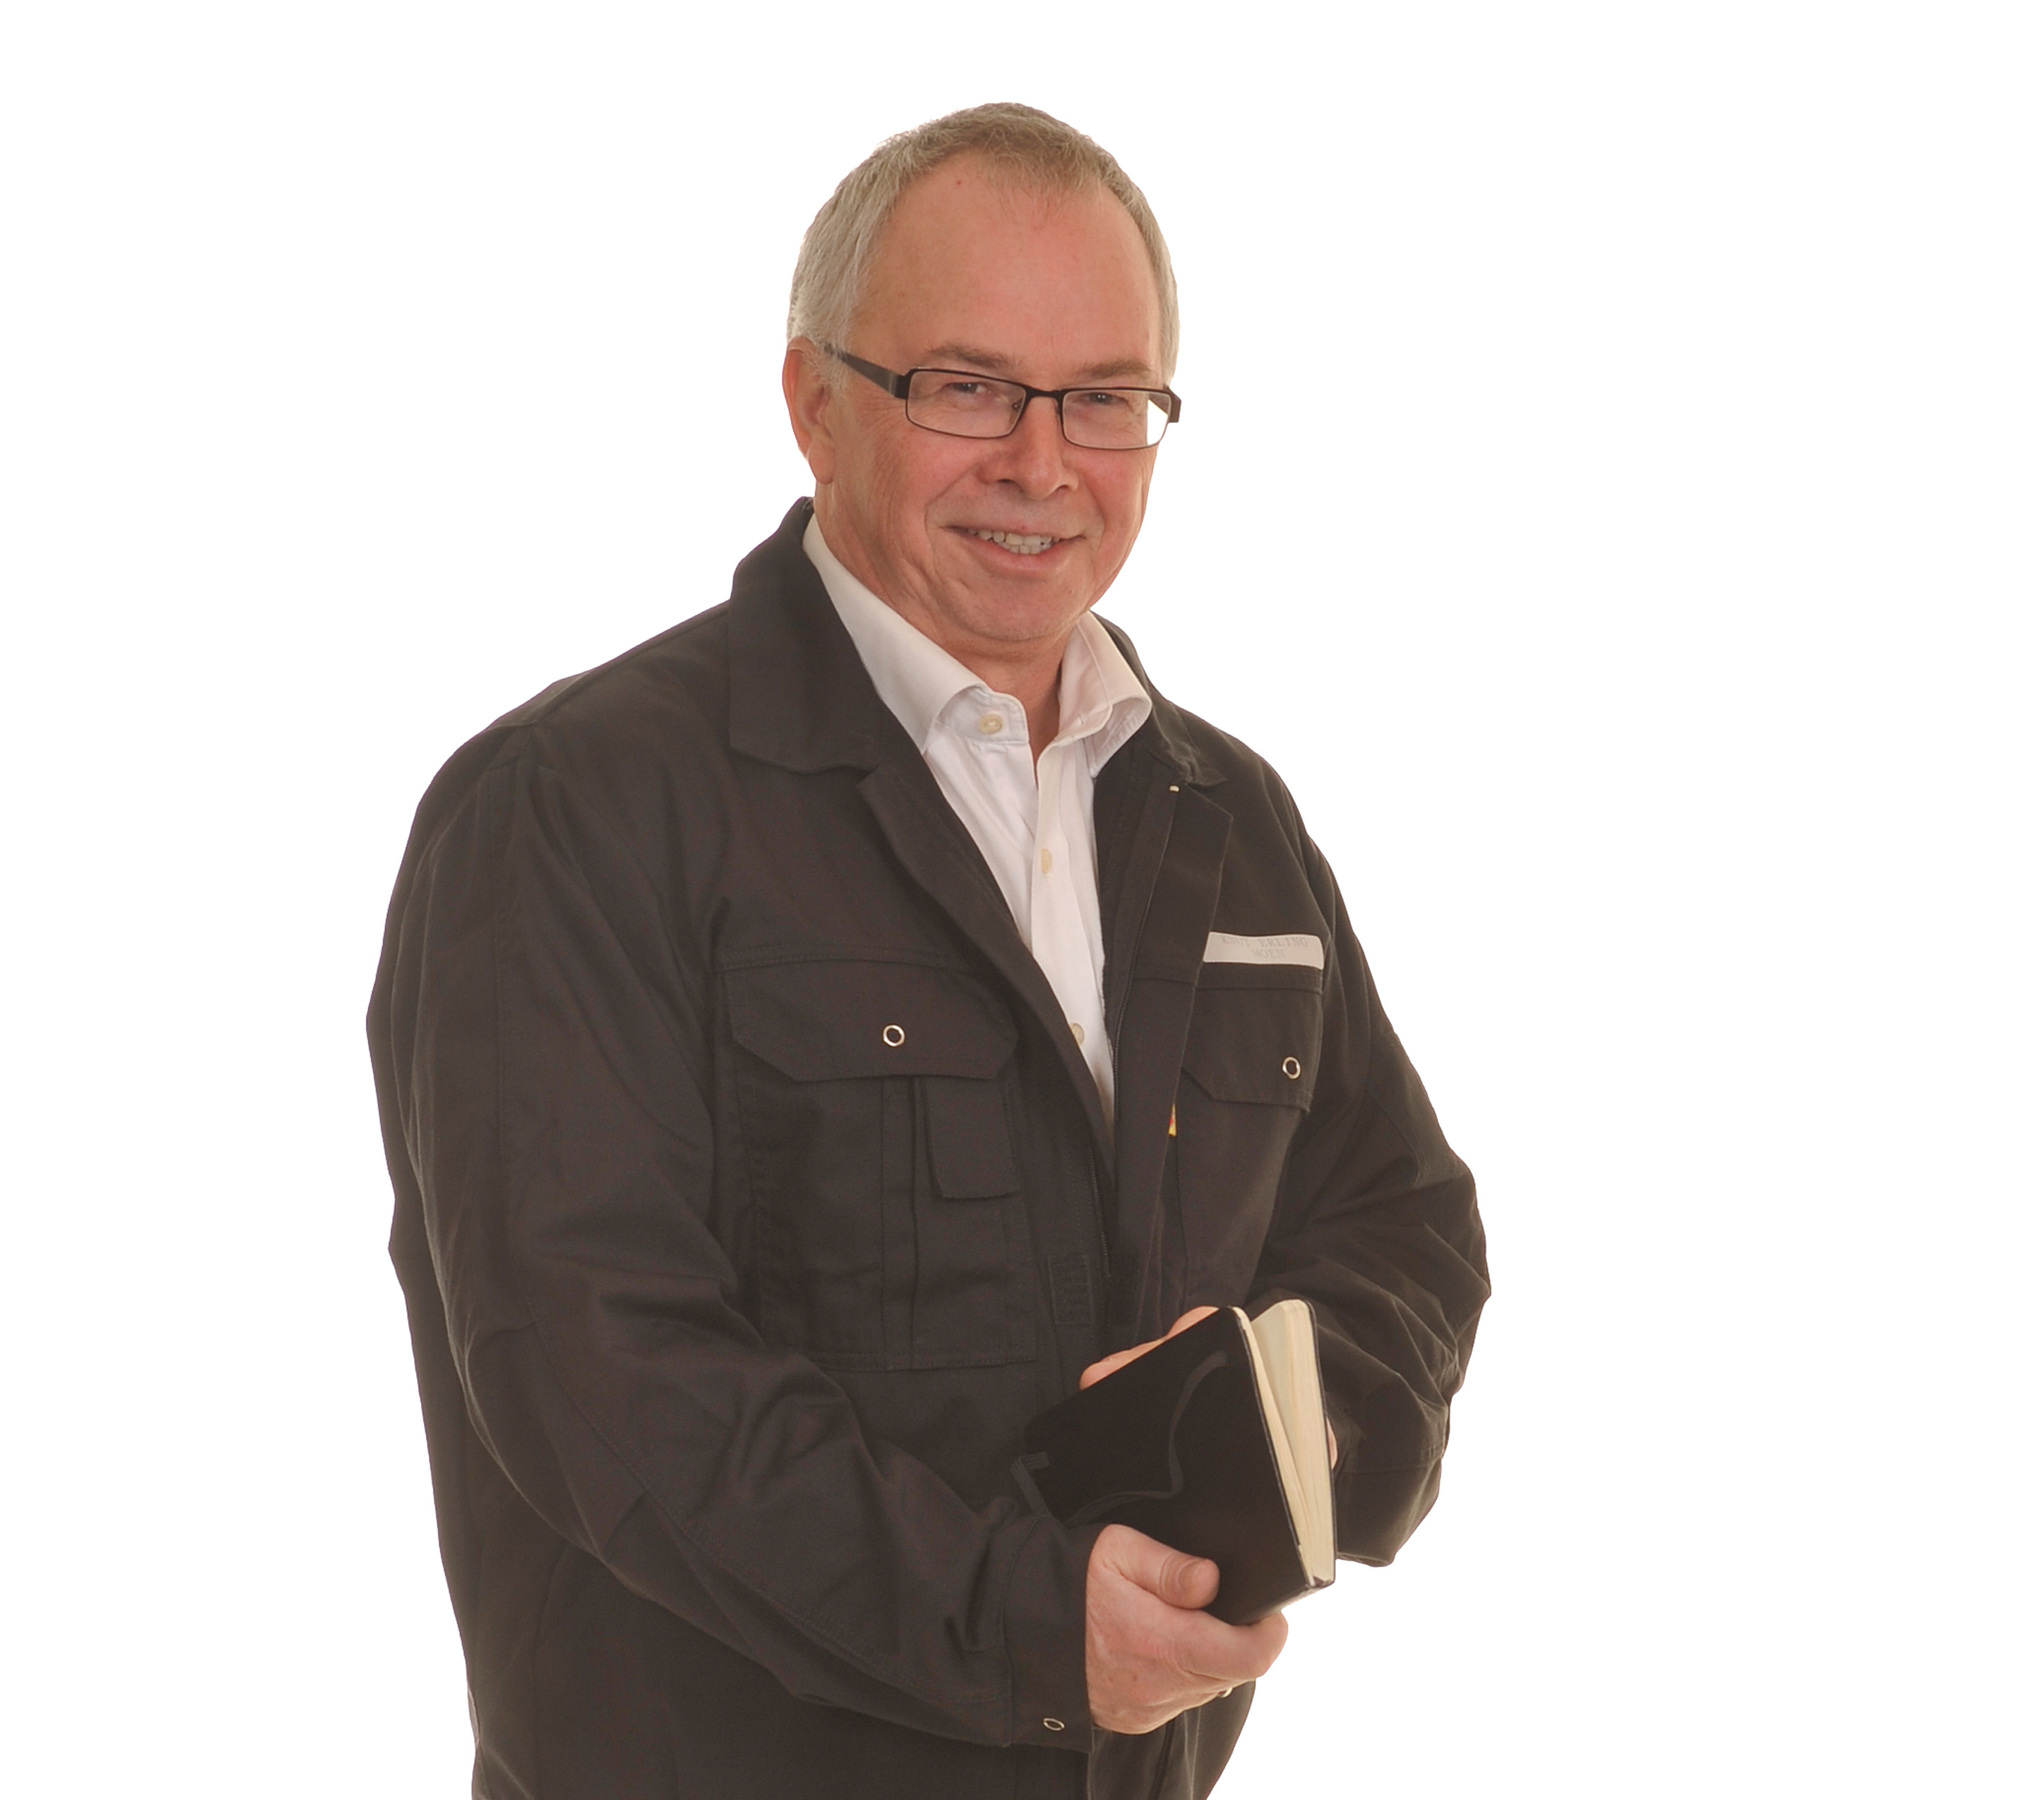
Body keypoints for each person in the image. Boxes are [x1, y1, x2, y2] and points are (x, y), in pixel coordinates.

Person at [369, 102, 1488, 1800]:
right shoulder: (574, 809)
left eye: (1105, 398)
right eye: (967, 387)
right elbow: (601, 1375)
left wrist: (1293, 1451)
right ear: (814, 401)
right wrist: (1028, 1623)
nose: (1043, 464)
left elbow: (1399, 1225)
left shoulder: (1222, 815)